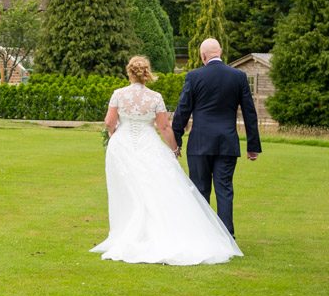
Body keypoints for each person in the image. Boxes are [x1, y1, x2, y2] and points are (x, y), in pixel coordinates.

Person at [91, 56, 242, 265]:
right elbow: (164, 127)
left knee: (126, 189)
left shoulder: (118, 94)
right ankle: (148, 231)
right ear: (146, 73)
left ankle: (129, 232)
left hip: (122, 145)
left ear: (129, 72)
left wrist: (113, 133)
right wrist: (174, 148)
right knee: (152, 187)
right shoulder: (155, 97)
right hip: (148, 144)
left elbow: (109, 121)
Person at [171, 38, 261, 237]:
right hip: (227, 142)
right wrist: (252, 145)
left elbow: (182, 111)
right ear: (220, 53)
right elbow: (249, 112)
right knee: (224, 189)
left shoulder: (194, 77)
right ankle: (226, 235)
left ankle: (201, 235)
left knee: (200, 189)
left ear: (203, 56)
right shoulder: (238, 76)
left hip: (200, 143)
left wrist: (175, 141)